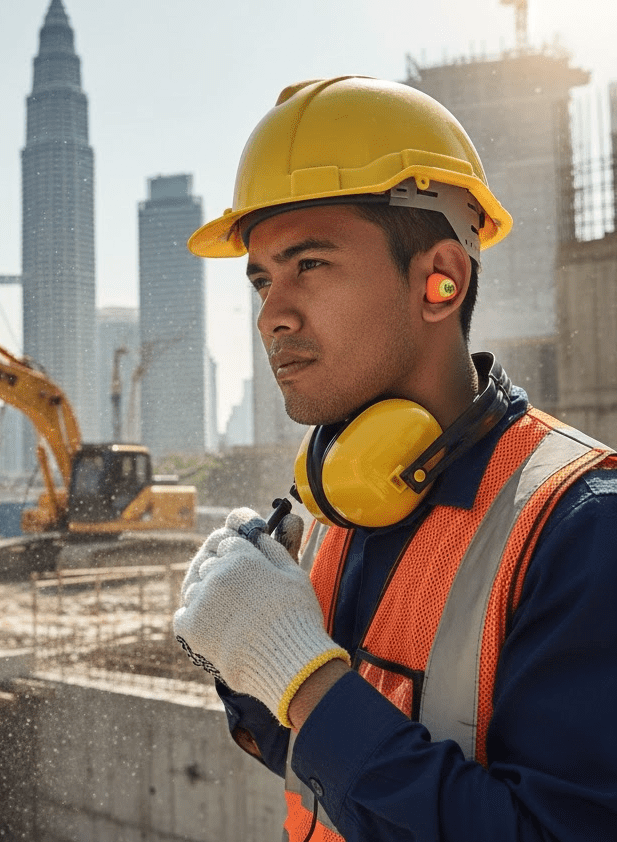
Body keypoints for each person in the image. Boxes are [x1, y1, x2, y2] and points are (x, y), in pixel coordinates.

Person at [172, 76, 617, 841]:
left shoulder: (580, 529)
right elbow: (317, 774)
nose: (272, 315)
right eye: (261, 278)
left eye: (309, 265)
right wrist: (245, 659)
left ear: (439, 281)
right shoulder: (342, 509)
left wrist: (306, 682)